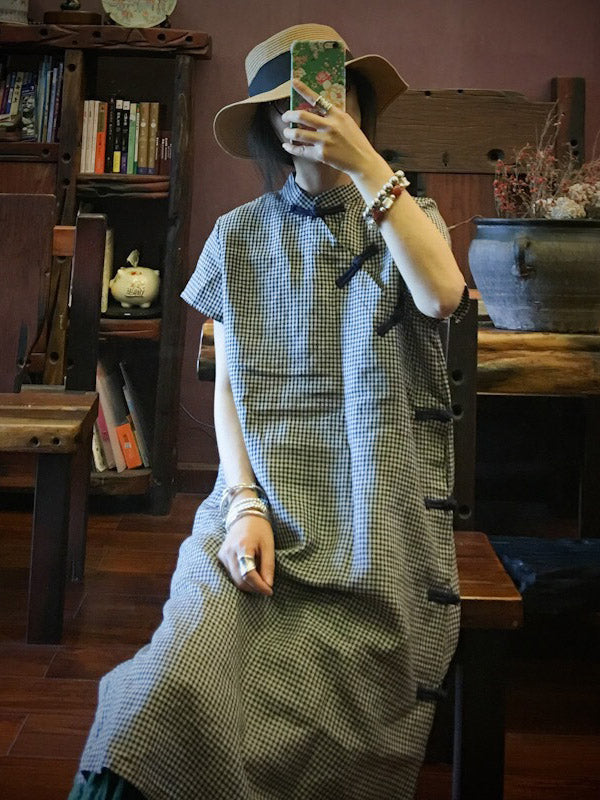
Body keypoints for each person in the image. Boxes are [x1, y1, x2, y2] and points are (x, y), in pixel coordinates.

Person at [69, 22, 468, 800]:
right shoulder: (236, 237)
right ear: (269, 127)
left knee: (335, 681)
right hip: (257, 506)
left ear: (360, 109)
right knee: (165, 687)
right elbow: (229, 385)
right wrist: (244, 502)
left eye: (333, 93)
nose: (317, 111)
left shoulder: (407, 216)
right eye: (295, 101)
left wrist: (365, 165)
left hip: (371, 520)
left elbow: (442, 295)